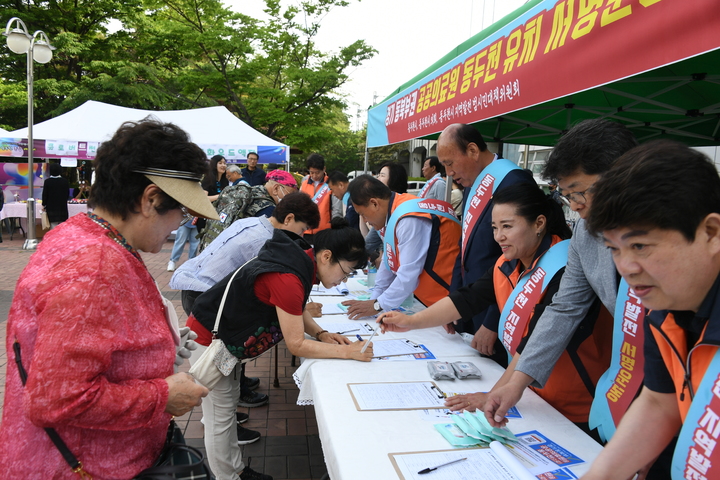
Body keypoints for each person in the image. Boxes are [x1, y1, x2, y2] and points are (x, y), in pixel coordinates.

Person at [0, 118, 214, 479]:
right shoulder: (95, 267)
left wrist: (159, 347)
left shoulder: (82, 237)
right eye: (181, 209)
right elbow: (58, 398)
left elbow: (92, 340)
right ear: (150, 199)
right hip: (88, 465)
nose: (180, 223)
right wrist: (162, 396)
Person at [380, 182, 611, 434]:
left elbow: (538, 338)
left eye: (507, 226)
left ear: (539, 223)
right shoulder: (507, 263)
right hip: (528, 395)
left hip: (576, 407)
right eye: (494, 227)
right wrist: (410, 321)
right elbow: (466, 299)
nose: (498, 236)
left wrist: (494, 393)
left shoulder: (563, 267)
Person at [481, 120, 647, 450]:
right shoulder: (586, 235)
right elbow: (563, 309)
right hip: (640, 383)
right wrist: (517, 384)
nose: (575, 205)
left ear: (622, 175)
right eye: (567, 194)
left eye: (581, 191)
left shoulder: (671, 231)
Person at [187, 218, 373, 480]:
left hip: (226, 340)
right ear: (326, 256)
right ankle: (227, 476)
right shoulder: (289, 276)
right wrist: (349, 352)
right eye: (346, 272)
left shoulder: (298, 261)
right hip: (211, 340)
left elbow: (294, 309)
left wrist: (321, 333)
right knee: (219, 416)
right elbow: (296, 345)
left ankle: (237, 470)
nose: (344, 280)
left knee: (226, 409)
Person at [580, 141, 720, 480]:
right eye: (614, 248)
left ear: (711, 232)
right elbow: (661, 401)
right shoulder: (667, 307)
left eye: (640, 246)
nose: (626, 268)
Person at [438, 123, 535, 366]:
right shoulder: (474, 184)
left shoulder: (513, 181)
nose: (448, 172)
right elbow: (465, 249)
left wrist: (494, 321)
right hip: (471, 307)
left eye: (450, 163)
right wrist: (454, 302)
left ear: (472, 150)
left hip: (498, 315)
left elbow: (522, 262)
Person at [343, 174, 461, 318]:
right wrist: (374, 299)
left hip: (451, 301)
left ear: (374, 203)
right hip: (436, 302)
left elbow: (408, 274)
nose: (365, 220)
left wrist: (377, 305)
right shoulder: (395, 212)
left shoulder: (408, 218)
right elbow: (389, 261)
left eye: (362, 214)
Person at [197, 170, 298, 252]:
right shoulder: (268, 208)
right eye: (289, 194)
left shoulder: (250, 192)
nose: (289, 199)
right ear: (276, 188)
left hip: (211, 246)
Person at [300, 153, 341, 239]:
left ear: (324, 169)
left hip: (325, 231)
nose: (314, 176)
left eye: (317, 173)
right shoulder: (304, 184)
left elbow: (336, 209)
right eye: (311, 172)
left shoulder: (330, 184)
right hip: (306, 231)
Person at [41, 162, 71, 229]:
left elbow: (45, 194)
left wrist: (44, 204)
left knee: (53, 226)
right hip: (62, 206)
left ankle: (54, 238)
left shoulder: (47, 182)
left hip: (51, 207)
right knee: (63, 226)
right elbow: (67, 194)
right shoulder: (64, 181)